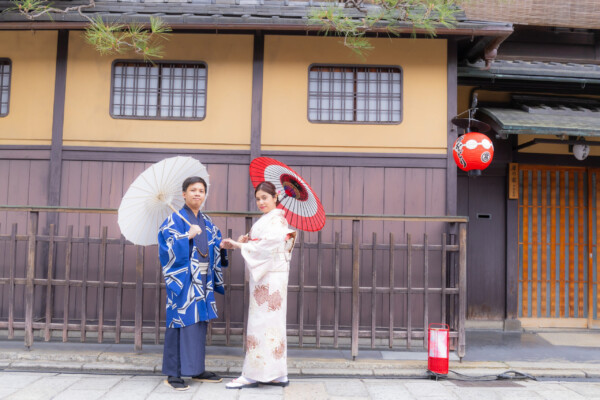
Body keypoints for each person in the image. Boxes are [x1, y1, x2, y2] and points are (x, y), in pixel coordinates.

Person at [221, 181, 296, 389]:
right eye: (258, 199)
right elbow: (260, 244)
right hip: (268, 276)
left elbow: (266, 246)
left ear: (275, 198)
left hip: (270, 278)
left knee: (262, 322)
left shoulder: (277, 221)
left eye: (265, 198)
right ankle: (277, 374)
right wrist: (247, 241)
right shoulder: (270, 219)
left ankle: (253, 374)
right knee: (270, 323)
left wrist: (240, 245)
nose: (261, 202)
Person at [157, 176, 228, 391]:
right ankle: (173, 373)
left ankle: (196, 369)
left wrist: (225, 245)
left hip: (203, 279)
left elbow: (214, 243)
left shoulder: (206, 221)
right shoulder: (173, 220)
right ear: (184, 194)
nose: (197, 193)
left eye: (201, 190)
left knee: (199, 323)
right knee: (181, 322)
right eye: (193, 190)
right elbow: (166, 247)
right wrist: (186, 236)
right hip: (183, 278)